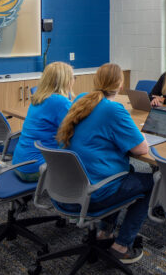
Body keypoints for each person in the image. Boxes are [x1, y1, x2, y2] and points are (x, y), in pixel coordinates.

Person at [56, 63, 152, 264]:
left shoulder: (82, 99)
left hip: (68, 188)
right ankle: (122, 246)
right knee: (151, 182)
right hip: (93, 193)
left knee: (130, 171)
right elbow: (141, 149)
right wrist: (139, 135)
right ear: (120, 84)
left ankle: (104, 233)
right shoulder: (114, 109)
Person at [11, 62, 74, 182]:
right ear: (65, 81)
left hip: (19, 163)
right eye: (72, 78)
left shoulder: (38, 98)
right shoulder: (59, 101)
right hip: (35, 169)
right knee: (84, 156)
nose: (73, 81)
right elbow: (76, 130)